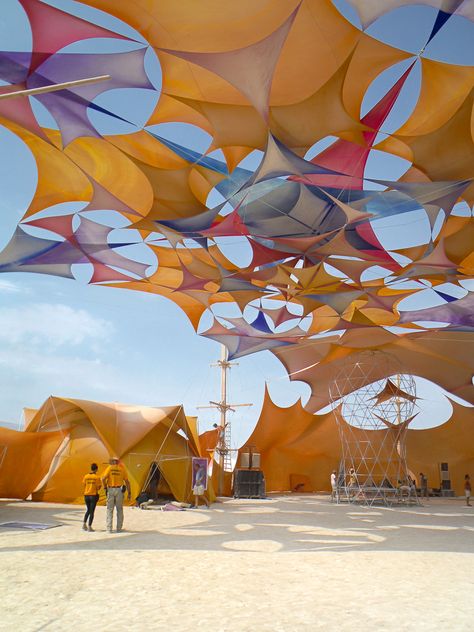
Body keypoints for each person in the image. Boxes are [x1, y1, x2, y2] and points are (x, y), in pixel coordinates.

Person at [101, 456, 131, 533]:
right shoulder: (122, 469)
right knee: (119, 509)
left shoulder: (109, 468)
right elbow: (127, 481)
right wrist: (129, 492)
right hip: (119, 490)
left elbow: (103, 479)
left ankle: (109, 529)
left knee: (109, 509)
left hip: (110, 489)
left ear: (112, 461)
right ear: (118, 462)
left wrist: (105, 487)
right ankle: (119, 528)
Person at [82, 463, 101, 532]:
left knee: (88, 510)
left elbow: (84, 484)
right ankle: (89, 526)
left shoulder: (86, 476)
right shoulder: (97, 477)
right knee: (92, 511)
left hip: (86, 495)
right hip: (93, 495)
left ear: (91, 468)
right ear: (96, 469)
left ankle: (84, 524)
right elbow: (98, 487)